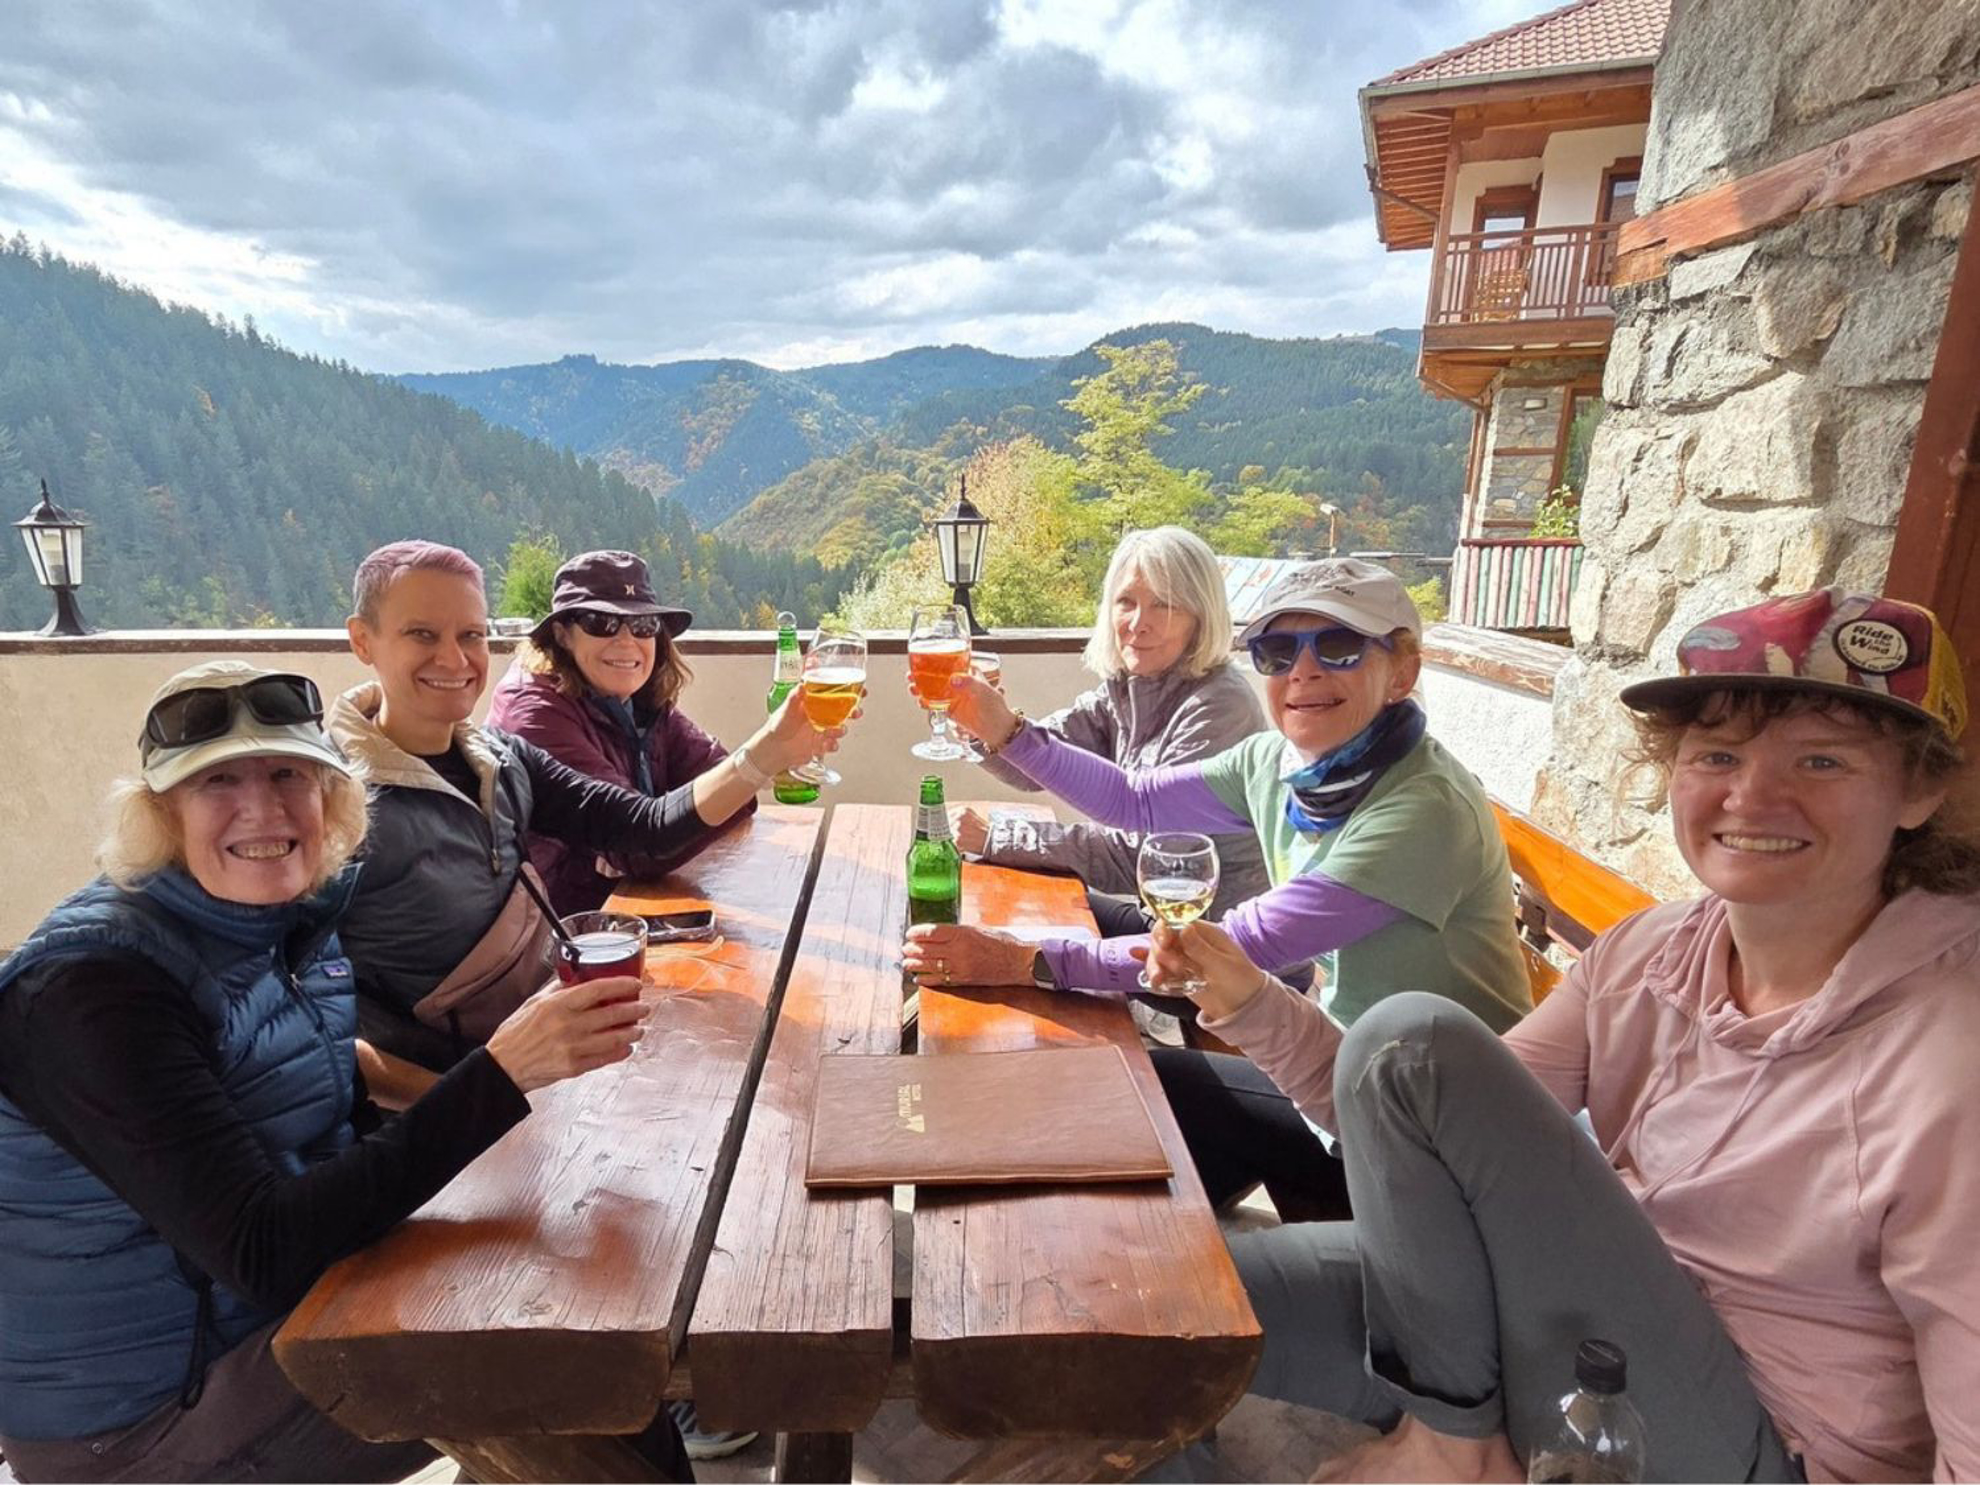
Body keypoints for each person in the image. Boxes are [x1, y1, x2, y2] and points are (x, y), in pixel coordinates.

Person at [1144, 587, 1980, 1482]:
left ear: (1921, 788)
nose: (1753, 795)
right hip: (1567, 1334)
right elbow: (1416, 1126)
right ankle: (1451, 1432)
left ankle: (1445, 1443)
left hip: (1749, 1436)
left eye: (1822, 761)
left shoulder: (1949, 1049)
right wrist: (1250, 1000)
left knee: (1408, 1039)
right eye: (1717, 752)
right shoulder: (1653, 950)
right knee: (1149, 1319)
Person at [0, 662, 687, 1483]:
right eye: (218, 781)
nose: (265, 808)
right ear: (160, 814)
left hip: (269, 1318)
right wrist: (501, 1072)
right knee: (566, 1371)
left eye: (291, 772)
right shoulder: (95, 988)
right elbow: (265, 1247)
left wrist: (499, 1099)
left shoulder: (279, 919)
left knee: (569, 1286)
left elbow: (331, 1083)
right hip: (143, 1420)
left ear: (333, 796)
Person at [907, 558, 1530, 1220]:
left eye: (1340, 647)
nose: (1304, 671)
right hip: (1339, 1075)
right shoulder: (1280, 763)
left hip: (1431, 1140)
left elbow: (1233, 947)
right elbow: (1132, 799)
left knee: (1121, 1120)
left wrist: (1028, 959)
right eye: (1278, 649)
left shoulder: (1423, 808)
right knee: (1098, 1136)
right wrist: (1005, 731)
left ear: (1402, 671)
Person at [329, 541, 840, 1078]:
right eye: (422, 635)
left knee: (778, 1062)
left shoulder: (503, 760)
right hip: (460, 1095)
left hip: (559, 1035)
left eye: (471, 636)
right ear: (363, 641)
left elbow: (642, 830)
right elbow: (307, 1017)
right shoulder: (328, 799)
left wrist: (771, 750)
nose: (454, 659)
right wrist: (471, 1102)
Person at [960, 526, 1268, 919]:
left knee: (1007, 933)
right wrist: (979, 728)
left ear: (1201, 616)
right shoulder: (1128, 688)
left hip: (1223, 949)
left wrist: (999, 837)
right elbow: (1035, 767)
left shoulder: (1220, 706)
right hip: (1167, 928)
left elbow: (1142, 856)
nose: (1139, 622)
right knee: (988, 902)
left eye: (1164, 605)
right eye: (1126, 601)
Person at [488, 550, 742, 916]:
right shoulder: (533, 712)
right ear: (562, 635)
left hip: (623, 908)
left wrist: (653, 834)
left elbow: (728, 787)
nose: (626, 641)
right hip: (552, 936)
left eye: (643, 626)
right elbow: (644, 846)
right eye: (601, 622)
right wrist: (653, 834)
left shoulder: (636, 696)